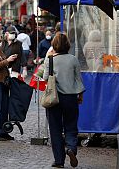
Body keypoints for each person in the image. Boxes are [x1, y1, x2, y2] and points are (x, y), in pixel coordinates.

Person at [43, 33, 85, 168]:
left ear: (54, 45)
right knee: (71, 126)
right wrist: (80, 96)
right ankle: (71, 148)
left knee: (55, 129)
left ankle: (59, 161)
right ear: (67, 45)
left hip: (54, 99)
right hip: (70, 98)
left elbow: (44, 78)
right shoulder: (73, 59)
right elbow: (78, 79)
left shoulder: (49, 60)